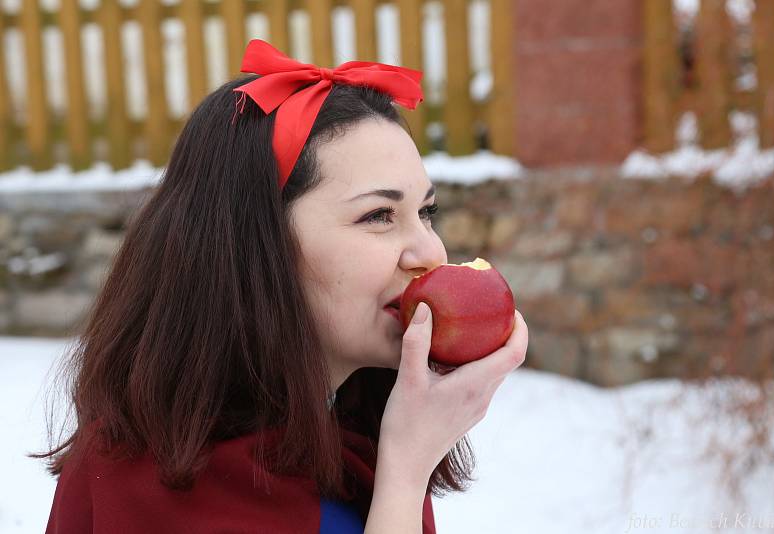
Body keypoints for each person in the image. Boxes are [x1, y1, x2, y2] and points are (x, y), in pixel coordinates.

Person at [34, 39, 529, 533]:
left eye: (425, 212)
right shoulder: (155, 487)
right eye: (378, 215)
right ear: (257, 246)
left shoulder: (346, 440)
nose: (430, 253)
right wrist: (405, 474)